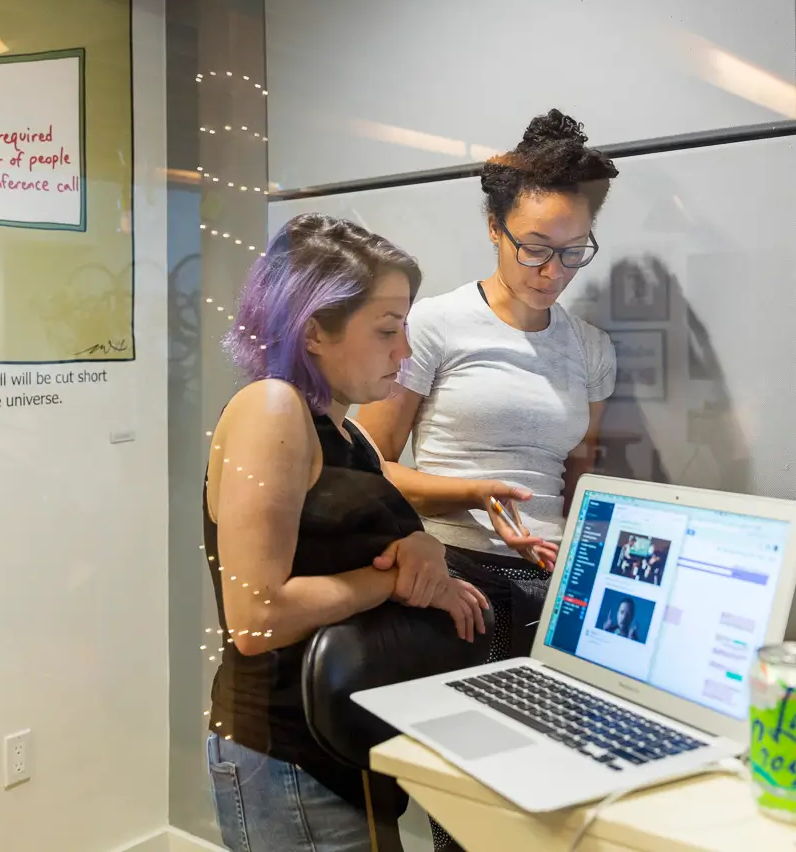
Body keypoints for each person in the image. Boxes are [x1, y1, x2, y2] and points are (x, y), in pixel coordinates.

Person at [355, 110, 618, 851]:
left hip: (558, 587)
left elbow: (581, 473)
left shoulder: (590, 348)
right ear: (494, 228)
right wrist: (471, 493)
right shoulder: (434, 325)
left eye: (573, 254)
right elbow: (368, 469)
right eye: (535, 248)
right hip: (460, 585)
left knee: (553, 808)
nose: (552, 272)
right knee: (470, 814)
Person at [204, 213, 491, 852]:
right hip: (287, 754)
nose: (405, 350)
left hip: (341, 745)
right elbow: (256, 618)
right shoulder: (271, 409)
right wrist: (390, 582)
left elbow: (354, 532)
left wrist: (424, 545)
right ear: (314, 331)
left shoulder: (344, 429)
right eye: (388, 330)